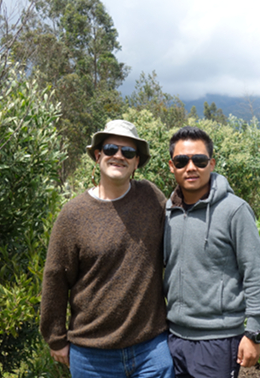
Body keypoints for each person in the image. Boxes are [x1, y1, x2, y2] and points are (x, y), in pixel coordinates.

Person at [39, 120, 174, 378]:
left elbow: (181, 231)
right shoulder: (73, 215)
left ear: (136, 163)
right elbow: (55, 277)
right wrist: (55, 337)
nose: (119, 156)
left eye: (129, 152)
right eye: (111, 148)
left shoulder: (151, 197)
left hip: (151, 350)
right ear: (98, 156)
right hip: (92, 356)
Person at [163, 126, 260, 378]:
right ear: (171, 166)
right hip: (172, 338)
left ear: (211, 163)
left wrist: (253, 332)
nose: (191, 167)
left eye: (199, 160)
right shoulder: (167, 212)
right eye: (181, 161)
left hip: (218, 341)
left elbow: (254, 272)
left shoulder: (234, 210)